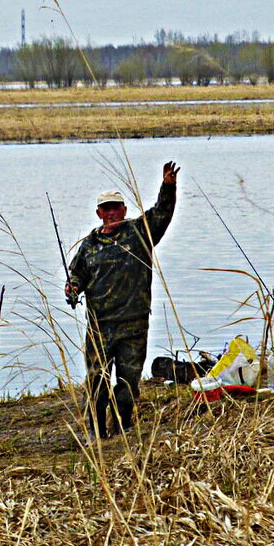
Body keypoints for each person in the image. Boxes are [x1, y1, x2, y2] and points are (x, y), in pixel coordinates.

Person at [64, 161, 179, 439]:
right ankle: (97, 431)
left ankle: (124, 425)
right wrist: (72, 289)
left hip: (134, 324)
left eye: (117, 207)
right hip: (100, 326)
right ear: (99, 213)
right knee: (97, 381)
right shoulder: (89, 245)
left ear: (124, 210)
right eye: (107, 209)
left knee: (129, 381)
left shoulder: (140, 233)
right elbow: (76, 275)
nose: (112, 212)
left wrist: (168, 186)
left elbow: (162, 213)